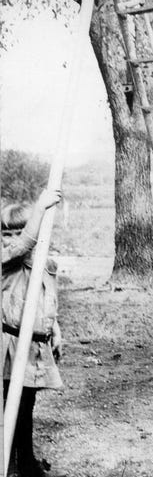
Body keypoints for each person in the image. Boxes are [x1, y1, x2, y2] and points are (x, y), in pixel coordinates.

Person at [2, 189, 63, 476]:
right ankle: (16, 463)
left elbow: (48, 298)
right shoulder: (7, 260)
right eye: (5, 233)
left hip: (35, 346)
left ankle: (24, 460)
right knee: (13, 404)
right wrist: (39, 208)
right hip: (10, 342)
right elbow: (21, 245)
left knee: (26, 405)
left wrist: (56, 331)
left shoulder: (40, 263)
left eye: (17, 232)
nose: (11, 238)